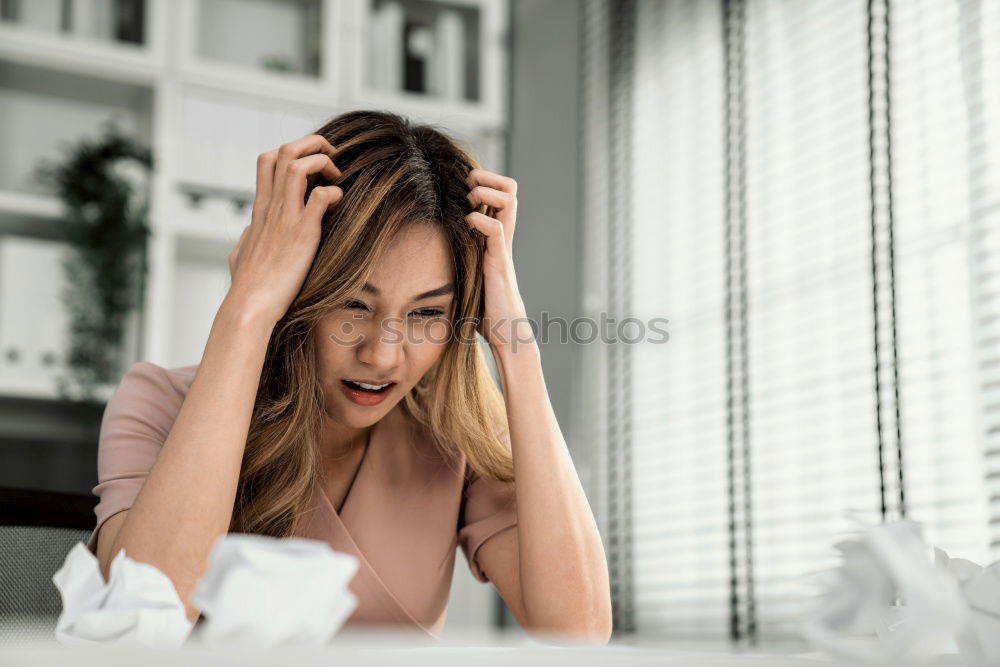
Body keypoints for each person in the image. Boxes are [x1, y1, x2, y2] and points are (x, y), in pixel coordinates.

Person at [85, 109, 612, 642]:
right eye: (352, 303)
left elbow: (579, 634)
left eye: (427, 313)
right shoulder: (157, 402)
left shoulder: (458, 435)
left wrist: (514, 346)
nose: (382, 356)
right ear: (295, 287)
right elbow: (141, 620)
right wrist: (246, 312)